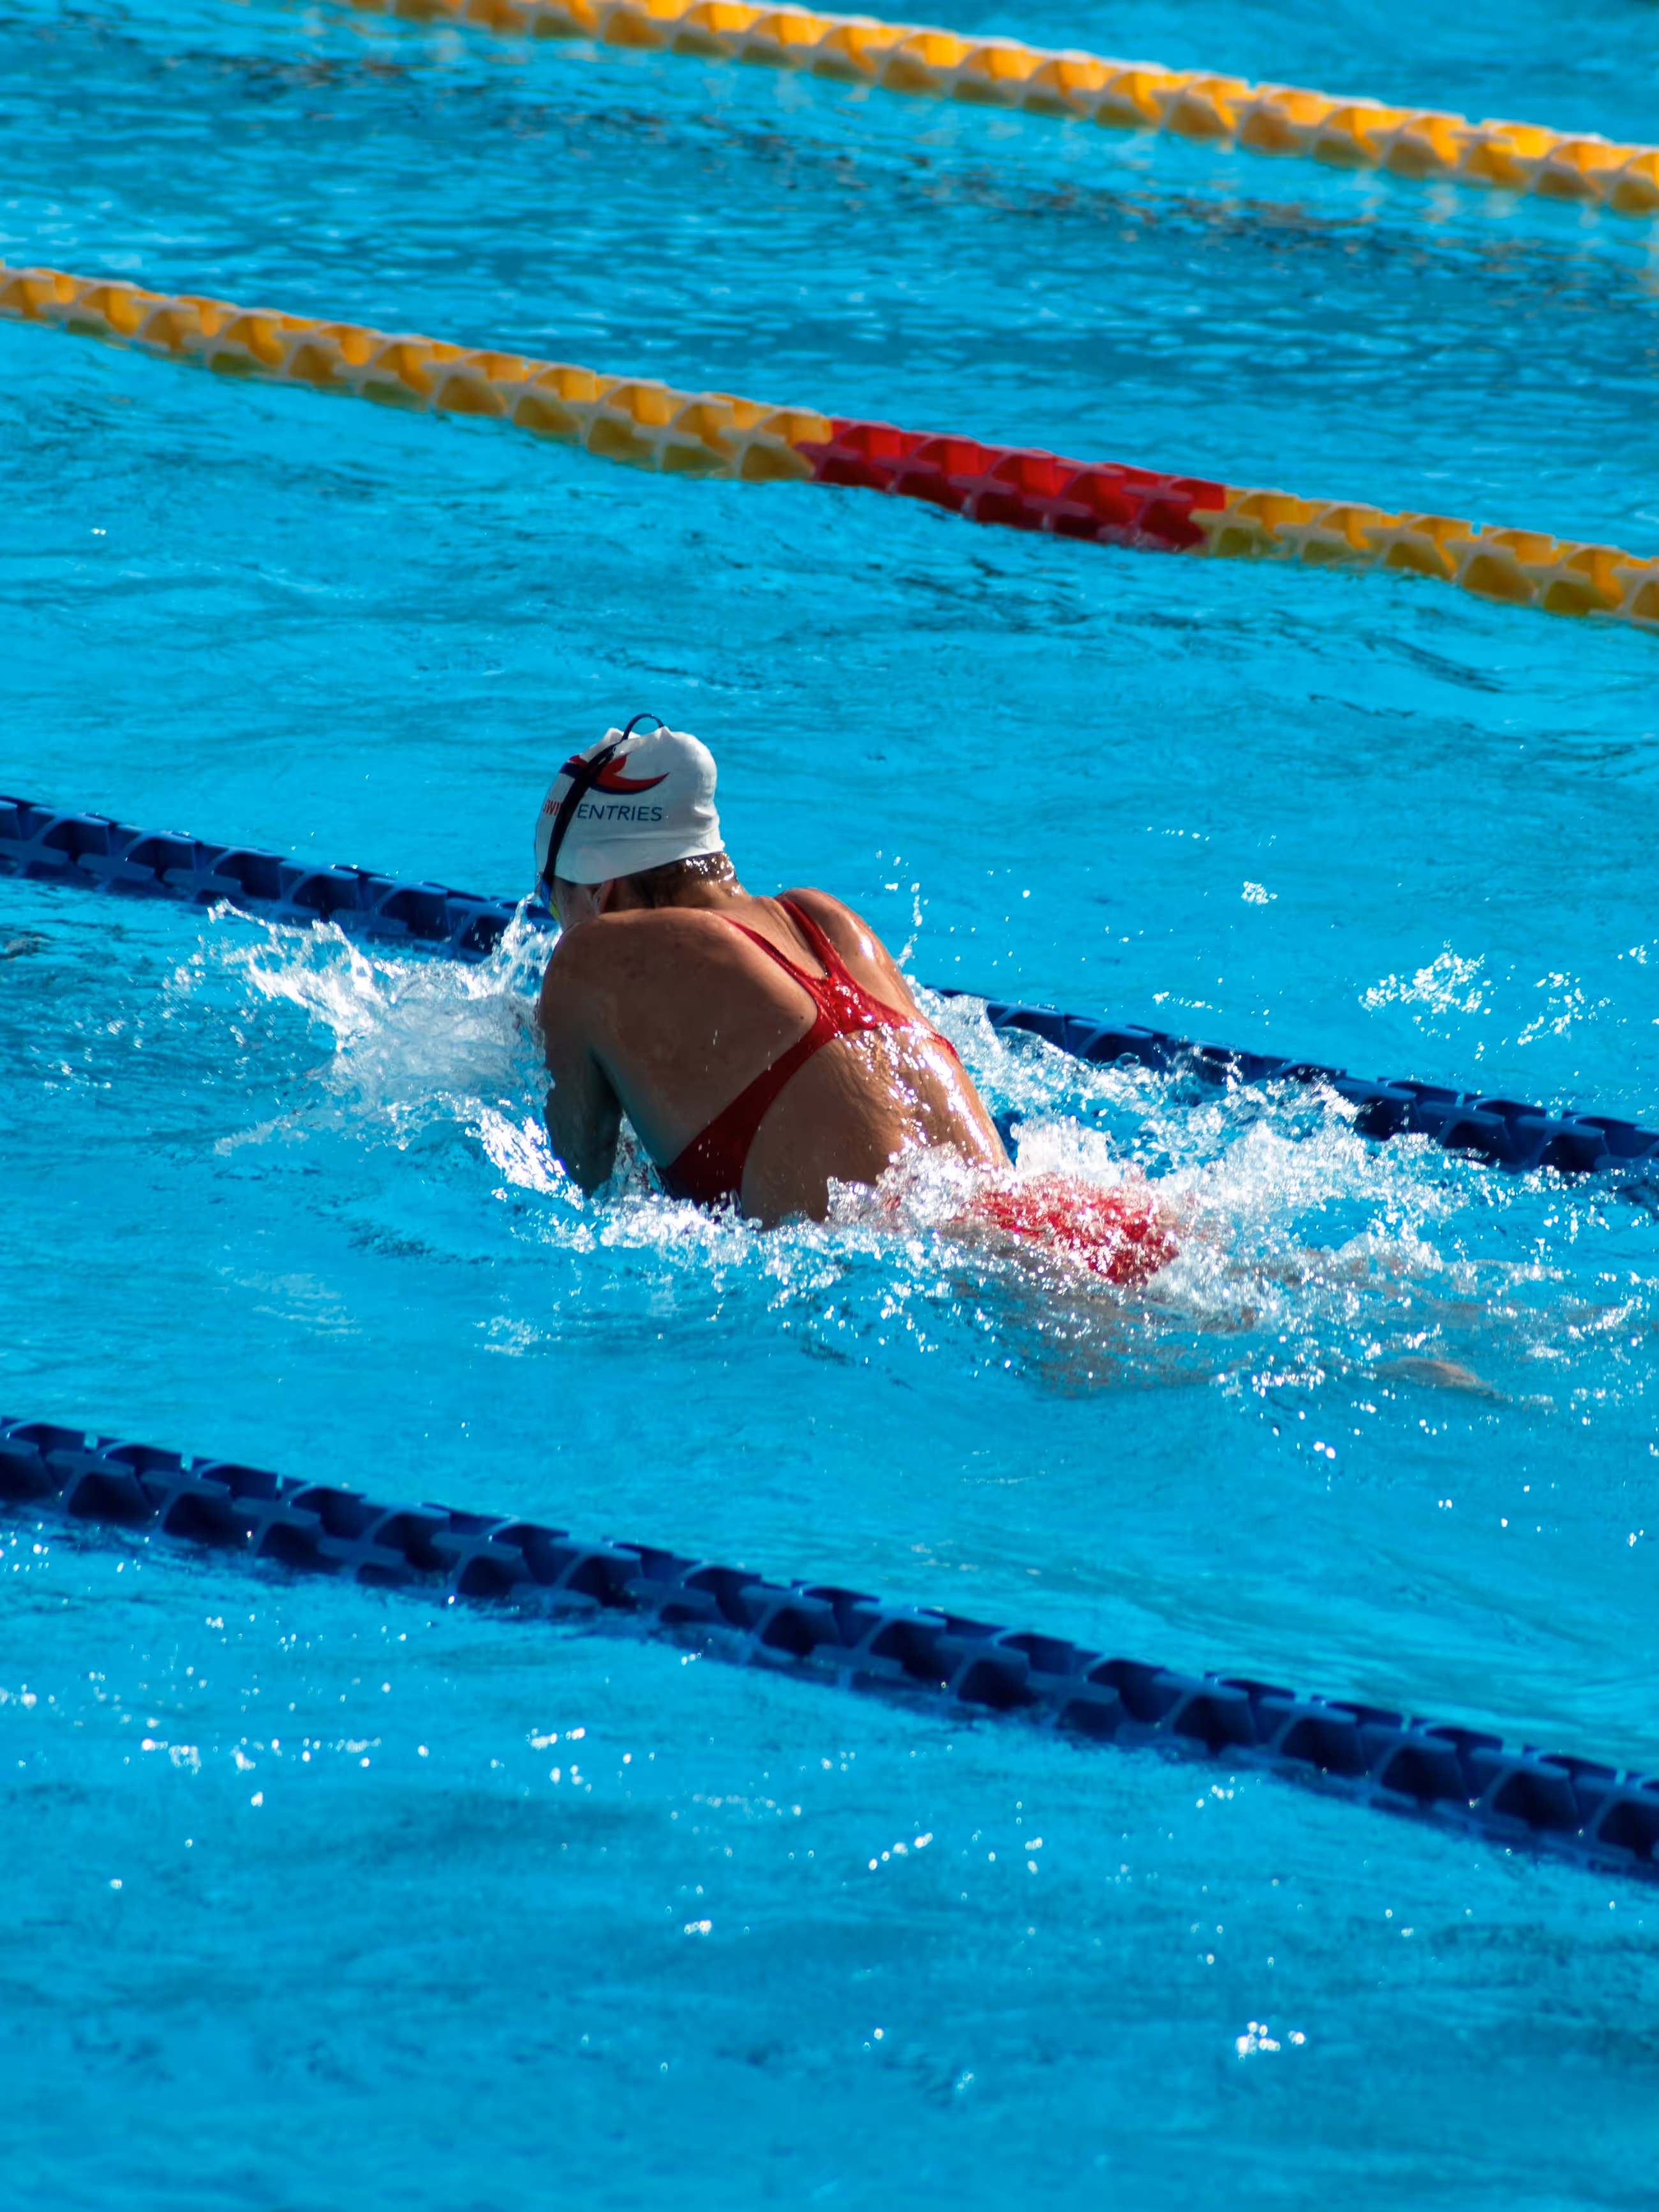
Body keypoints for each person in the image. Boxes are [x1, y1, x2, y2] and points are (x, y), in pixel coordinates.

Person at [533, 716, 1176, 1286]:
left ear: (602, 891)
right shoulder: (828, 920)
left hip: (976, 1272)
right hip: (1074, 1222)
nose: (564, 927)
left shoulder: (592, 957)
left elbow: (580, 1191)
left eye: (557, 903)